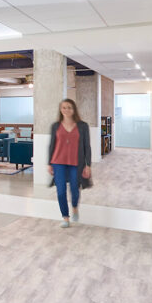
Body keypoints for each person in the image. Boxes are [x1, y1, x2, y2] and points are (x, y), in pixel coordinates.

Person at [47, 98, 92, 228]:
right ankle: (65, 218)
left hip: (76, 163)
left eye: (69, 107)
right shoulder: (55, 126)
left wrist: (88, 165)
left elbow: (87, 146)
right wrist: (49, 163)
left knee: (74, 189)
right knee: (60, 191)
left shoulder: (82, 126)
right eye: (64, 107)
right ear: (60, 110)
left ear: (74, 109)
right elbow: (52, 145)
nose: (66, 110)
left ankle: (75, 207)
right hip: (58, 162)